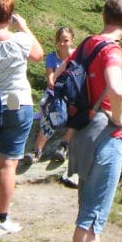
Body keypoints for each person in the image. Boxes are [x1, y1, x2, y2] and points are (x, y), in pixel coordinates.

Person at [67, 0, 122, 242]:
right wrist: (120, 116)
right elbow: (117, 87)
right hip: (106, 137)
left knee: (89, 207)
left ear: (103, 16)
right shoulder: (112, 51)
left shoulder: (87, 44)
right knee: (91, 216)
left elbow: (60, 77)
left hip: (83, 132)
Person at [0, 0, 44, 235]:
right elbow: (38, 55)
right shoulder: (19, 39)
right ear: (10, 14)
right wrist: (25, 27)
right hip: (17, 104)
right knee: (8, 164)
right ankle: (0, 220)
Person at [32, 26, 76, 163]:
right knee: (52, 113)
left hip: (72, 94)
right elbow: (50, 80)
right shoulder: (52, 57)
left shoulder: (77, 57)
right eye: (60, 40)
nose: (62, 44)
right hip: (55, 94)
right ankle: (37, 151)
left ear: (72, 41)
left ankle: (64, 146)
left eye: (66, 40)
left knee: (77, 111)